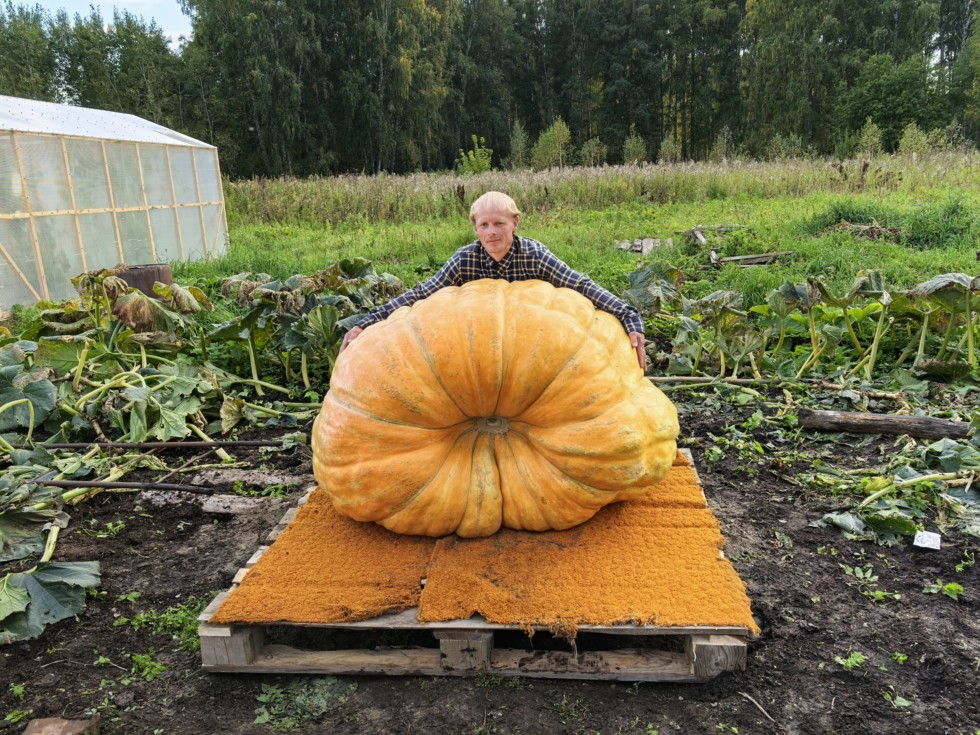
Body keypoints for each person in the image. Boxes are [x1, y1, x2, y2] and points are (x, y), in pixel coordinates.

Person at [339, 191, 647, 370]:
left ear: (515, 223)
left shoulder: (535, 256)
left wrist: (627, 315)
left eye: (499, 223)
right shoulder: (465, 260)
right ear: (475, 228)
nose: (492, 233)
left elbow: (579, 284)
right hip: (476, 360)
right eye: (484, 225)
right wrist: (367, 323)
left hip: (533, 356)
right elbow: (422, 293)